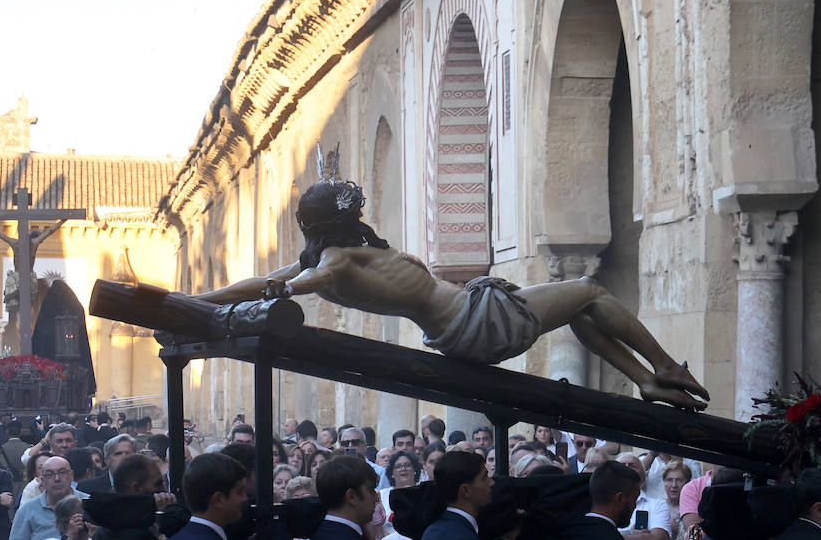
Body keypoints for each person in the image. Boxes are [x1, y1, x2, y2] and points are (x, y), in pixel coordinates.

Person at [194, 173, 708, 408]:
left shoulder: (329, 255)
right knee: (590, 291)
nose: (362, 217)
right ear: (343, 219)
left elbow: (262, 283)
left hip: (466, 326)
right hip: (479, 324)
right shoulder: (335, 260)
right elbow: (312, 280)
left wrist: (203, 301)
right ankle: (660, 367)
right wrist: (289, 290)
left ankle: (646, 379)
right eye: (355, 210)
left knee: (578, 307)